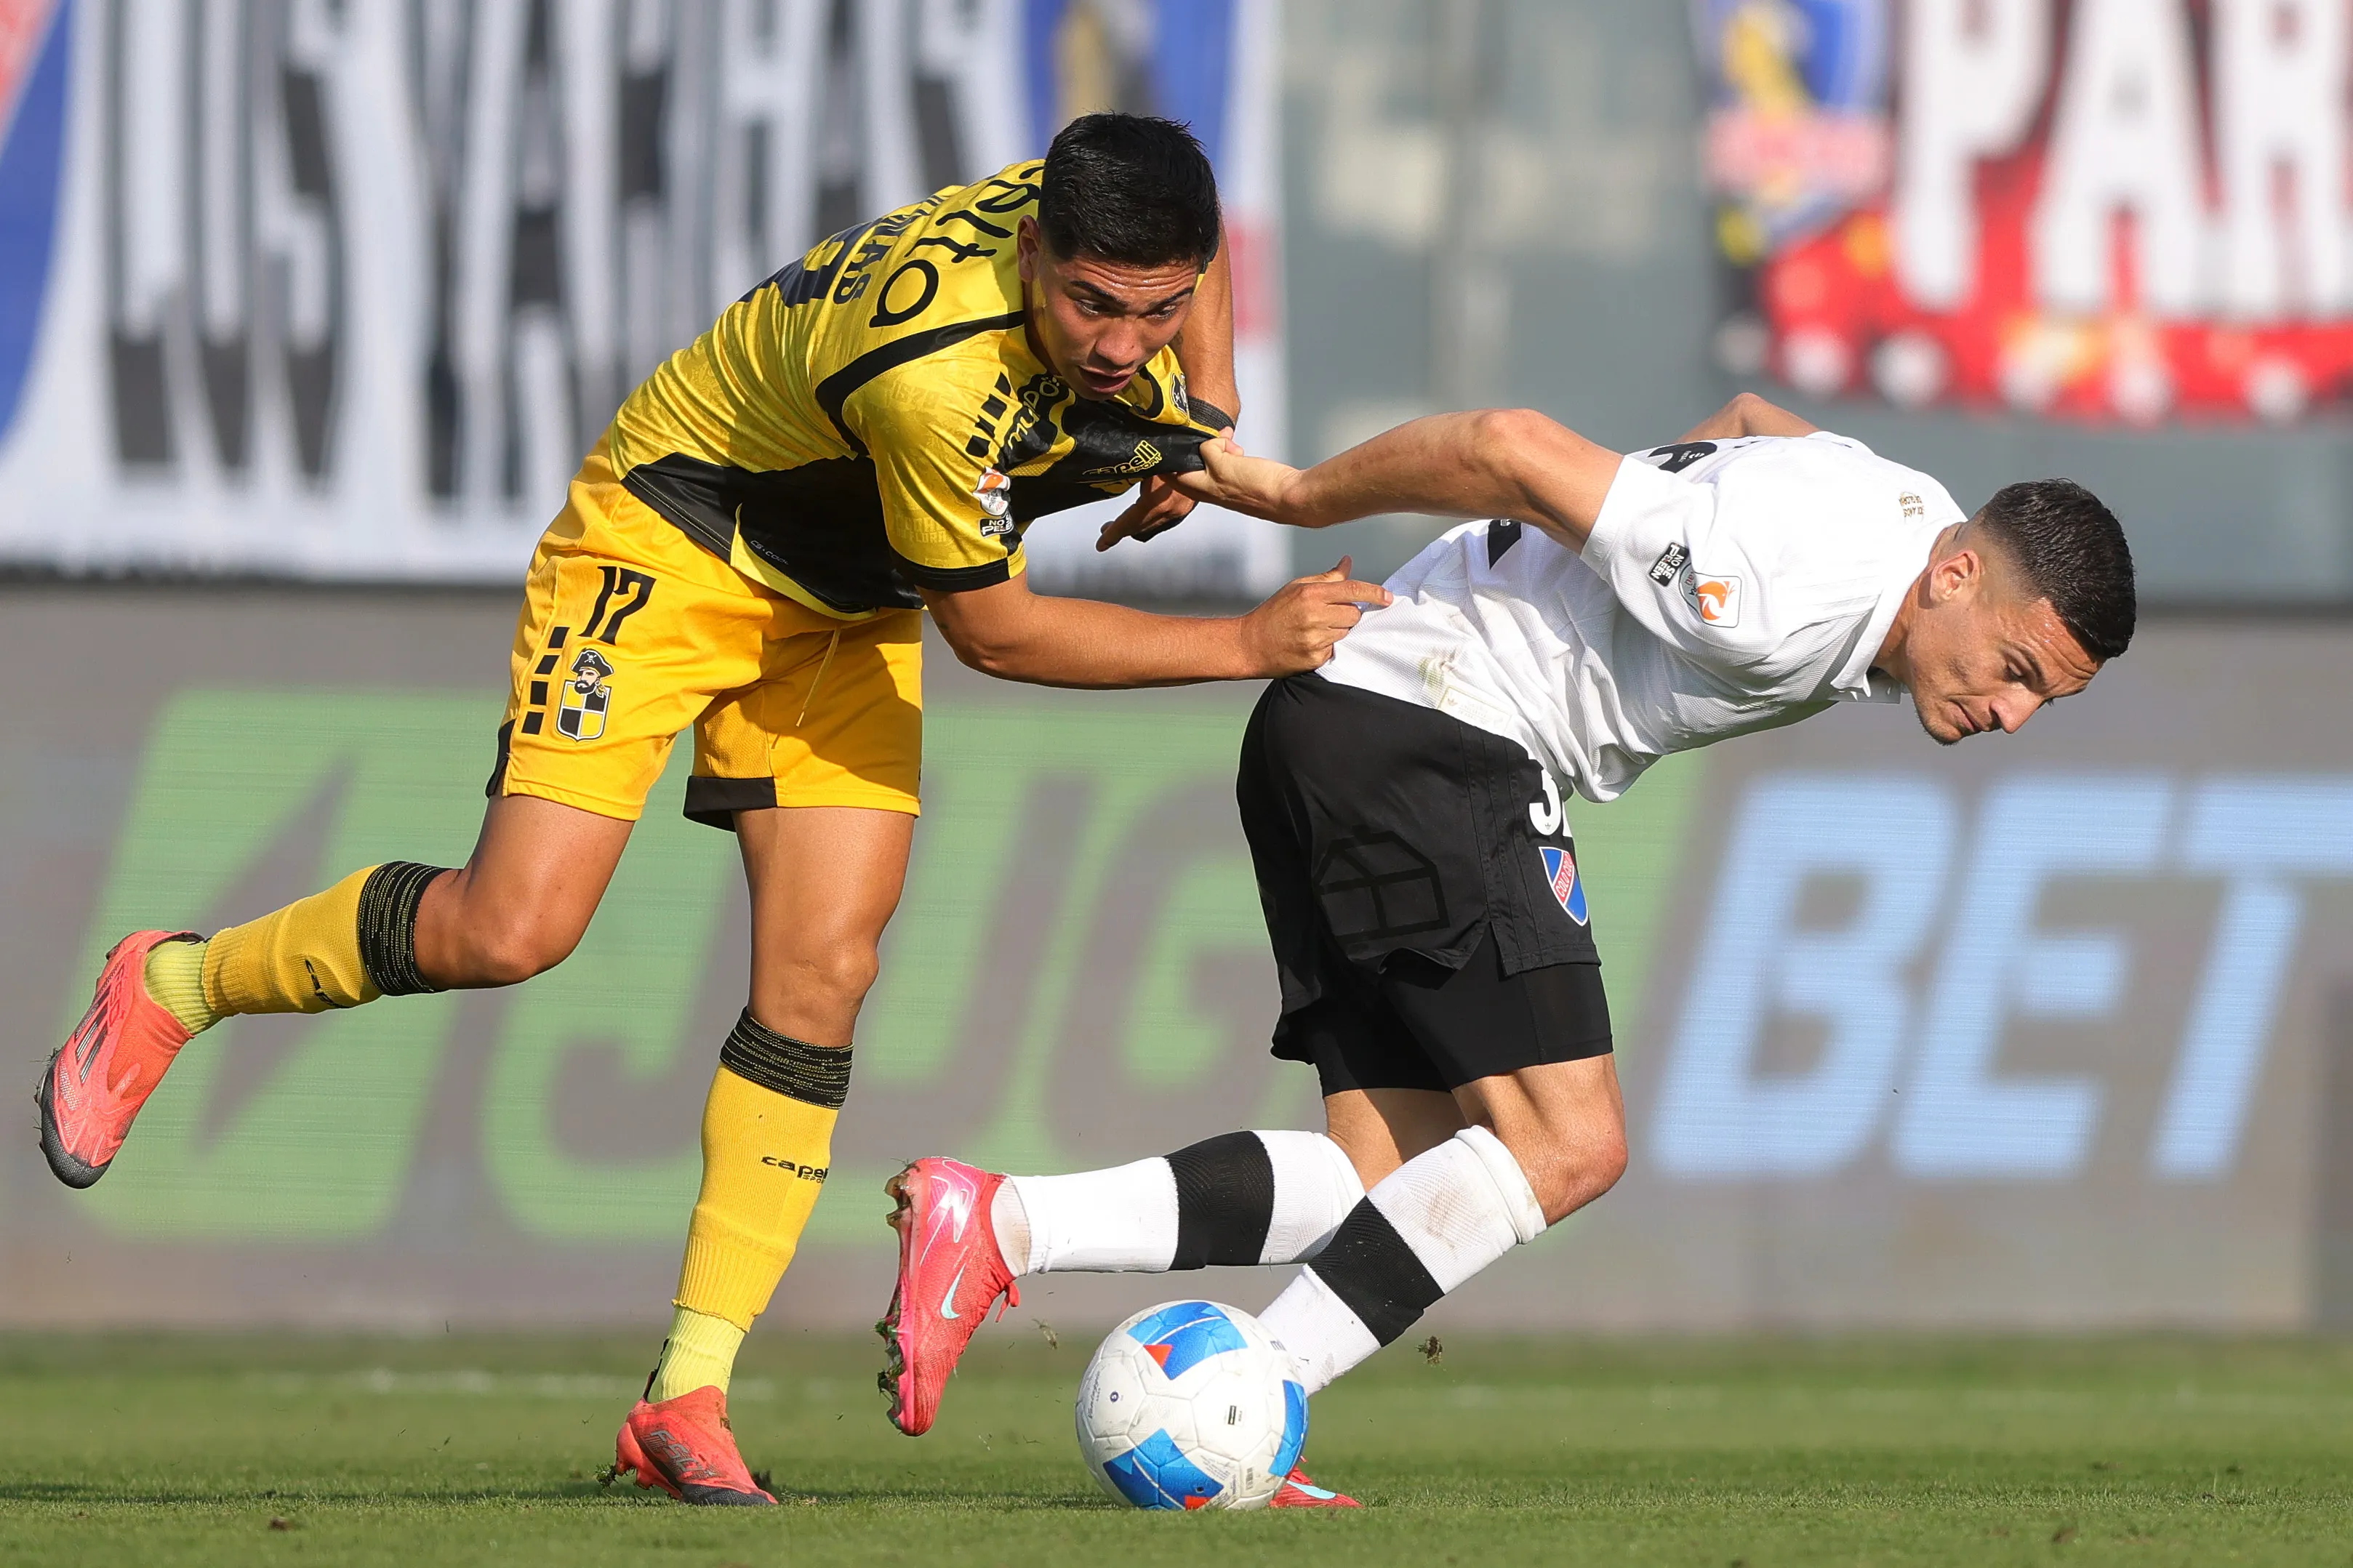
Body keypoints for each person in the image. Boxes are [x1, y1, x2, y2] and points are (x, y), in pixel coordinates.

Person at [37, 114, 1387, 1507]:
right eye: (1092, 306)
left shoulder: (1134, 246)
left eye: (1152, 308)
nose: (1120, 344)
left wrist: (1199, 415)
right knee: (512, 930)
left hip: (845, 599)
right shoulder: (936, 378)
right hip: (680, 537)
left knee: (826, 972)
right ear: (1032, 251)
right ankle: (175, 984)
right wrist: (1246, 640)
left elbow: (1196, 275)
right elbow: (1001, 637)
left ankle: (686, 1395)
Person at [877, 391, 2136, 1505]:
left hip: (1335, 727)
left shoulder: (1907, 510)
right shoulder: (1769, 594)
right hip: (1436, 730)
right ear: (1960, 574)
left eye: (2043, 700)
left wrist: (1632, 537)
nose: (2010, 714)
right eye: (2017, 670)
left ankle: (1002, 1223)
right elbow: (1508, 444)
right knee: (1572, 1143)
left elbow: (1751, 420)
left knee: (1382, 1183)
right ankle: (1251, 1400)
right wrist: (1294, 495)